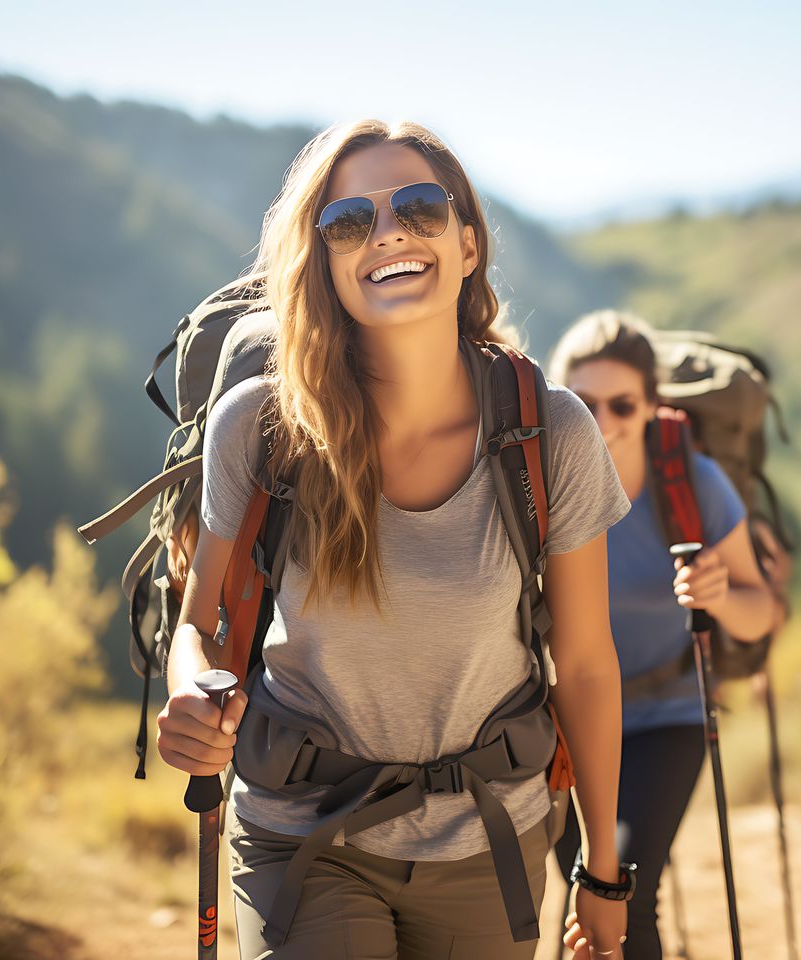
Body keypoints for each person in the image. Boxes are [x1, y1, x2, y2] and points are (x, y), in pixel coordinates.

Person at [154, 120, 633, 960]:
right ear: (326, 265)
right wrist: (191, 690)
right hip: (303, 834)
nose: (389, 235)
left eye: (419, 207)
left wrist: (601, 873)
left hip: (490, 843)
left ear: (469, 244)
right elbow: (197, 628)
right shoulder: (259, 428)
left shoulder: (549, 433)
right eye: (350, 223)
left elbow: (586, 665)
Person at [549, 310, 775, 960]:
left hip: (666, 713)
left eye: (622, 403)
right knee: (578, 897)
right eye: (582, 402)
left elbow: (760, 613)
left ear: (652, 406)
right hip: (564, 725)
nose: (601, 419)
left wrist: (720, 594)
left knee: (622, 888)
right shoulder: (536, 487)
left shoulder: (693, 483)